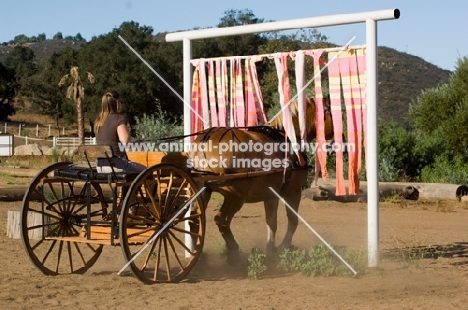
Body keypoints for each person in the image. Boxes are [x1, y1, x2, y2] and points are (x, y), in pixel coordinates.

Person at [93, 91, 146, 173]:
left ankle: (129, 186)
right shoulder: (119, 118)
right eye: (121, 101)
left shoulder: (98, 121)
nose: (121, 104)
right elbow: (125, 141)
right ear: (117, 102)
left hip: (100, 167)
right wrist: (139, 144)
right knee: (146, 170)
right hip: (116, 165)